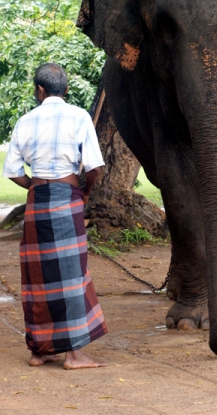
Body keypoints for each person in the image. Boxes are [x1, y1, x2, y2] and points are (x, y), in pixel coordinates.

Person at [2, 63, 108, 369]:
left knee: (38, 276)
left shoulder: (25, 120)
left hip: (37, 202)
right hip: (67, 198)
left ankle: (40, 350)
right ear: (65, 89)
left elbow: (12, 172)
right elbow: (94, 168)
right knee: (72, 275)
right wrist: (84, 192)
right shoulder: (79, 116)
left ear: (39, 90)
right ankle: (73, 355)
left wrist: (34, 185)